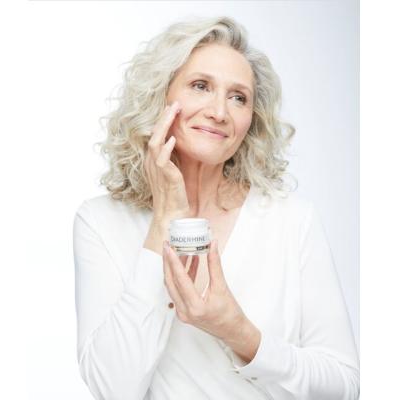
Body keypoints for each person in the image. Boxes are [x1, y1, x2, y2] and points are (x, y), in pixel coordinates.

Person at [73, 16, 359, 400]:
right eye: (200, 86)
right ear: (160, 96)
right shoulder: (101, 221)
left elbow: (343, 386)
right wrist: (164, 221)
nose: (219, 112)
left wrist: (237, 330)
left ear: (251, 121)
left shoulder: (291, 219)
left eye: (238, 97)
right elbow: (112, 389)